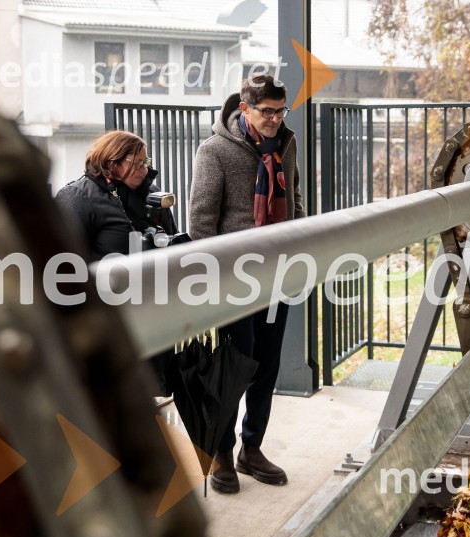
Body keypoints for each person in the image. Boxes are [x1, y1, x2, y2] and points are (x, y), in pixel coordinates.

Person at [188, 74, 306, 493]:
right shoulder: (215, 150)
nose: (274, 119)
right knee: (234, 367)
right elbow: (201, 223)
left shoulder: (287, 144)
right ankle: (221, 451)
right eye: (266, 111)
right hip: (235, 281)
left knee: (266, 365)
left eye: (280, 110)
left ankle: (251, 448)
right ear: (245, 109)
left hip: (277, 275)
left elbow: (293, 199)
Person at [55, 130, 177, 260]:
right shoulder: (78, 196)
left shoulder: (152, 193)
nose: (145, 170)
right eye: (138, 163)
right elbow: (63, 259)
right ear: (111, 163)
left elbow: (174, 240)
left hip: (160, 276)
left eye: (146, 163)